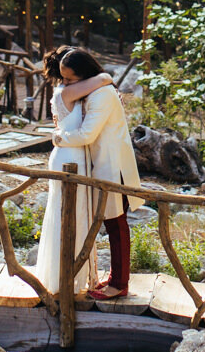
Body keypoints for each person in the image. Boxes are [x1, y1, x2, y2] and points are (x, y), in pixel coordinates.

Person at [53, 47, 144, 300]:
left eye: (70, 80)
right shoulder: (97, 90)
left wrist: (58, 137)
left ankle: (120, 284)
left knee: (116, 224)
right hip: (105, 165)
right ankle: (117, 277)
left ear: (84, 75)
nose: (66, 84)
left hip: (113, 167)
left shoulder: (102, 95)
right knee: (112, 223)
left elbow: (86, 134)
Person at [34, 46, 112, 299]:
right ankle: (65, 277)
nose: (64, 82)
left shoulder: (74, 92)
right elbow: (104, 78)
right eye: (63, 77)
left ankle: (74, 275)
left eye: (69, 77)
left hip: (72, 155)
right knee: (68, 216)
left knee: (77, 216)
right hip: (70, 156)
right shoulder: (67, 92)